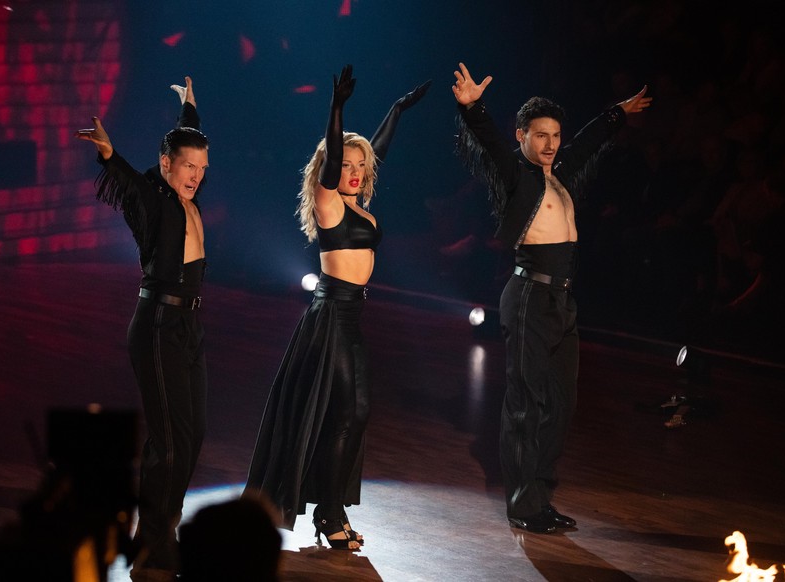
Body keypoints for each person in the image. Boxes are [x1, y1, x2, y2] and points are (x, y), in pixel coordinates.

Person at [452, 62, 651, 534]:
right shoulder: (517, 174)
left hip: (562, 302)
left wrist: (616, 115)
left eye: (555, 135)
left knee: (560, 403)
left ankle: (539, 494)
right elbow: (491, 145)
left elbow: (586, 142)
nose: (550, 144)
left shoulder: (559, 172)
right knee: (526, 402)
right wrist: (473, 109)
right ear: (522, 135)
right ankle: (524, 505)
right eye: (540, 135)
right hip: (528, 298)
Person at [245, 64, 429, 550]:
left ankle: (332, 508)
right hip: (328, 317)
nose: (353, 172)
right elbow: (333, 161)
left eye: (359, 167)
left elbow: (377, 152)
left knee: (355, 414)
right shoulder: (329, 203)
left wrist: (396, 111)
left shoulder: (361, 202)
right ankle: (329, 517)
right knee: (345, 414)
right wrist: (337, 108)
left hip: (353, 318)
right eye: (346, 165)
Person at [75, 76, 210, 580]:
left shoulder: (187, 192)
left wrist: (190, 113)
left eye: (201, 168)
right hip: (157, 322)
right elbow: (131, 182)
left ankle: (159, 529)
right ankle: (153, 547)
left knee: (192, 433)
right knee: (169, 439)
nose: (195, 175)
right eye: (187, 167)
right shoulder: (154, 199)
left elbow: (185, 146)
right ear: (166, 165)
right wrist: (110, 155)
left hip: (190, 324)